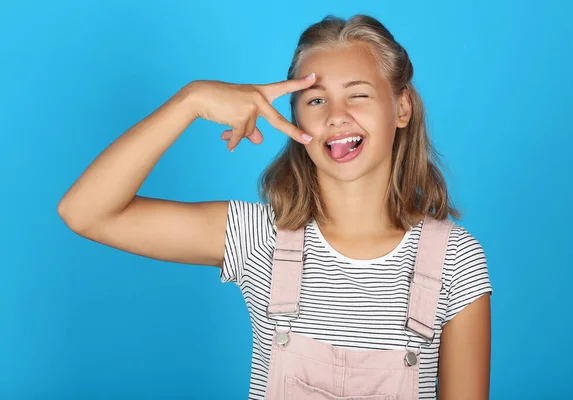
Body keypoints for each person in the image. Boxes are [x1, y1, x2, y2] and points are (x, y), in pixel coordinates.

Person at [58, 14, 492, 400]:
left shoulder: (455, 259)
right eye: (316, 100)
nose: (336, 116)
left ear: (401, 108)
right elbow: (85, 212)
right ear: (294, 119)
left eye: (357, 95)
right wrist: (191, 100)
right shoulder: (259, 236)